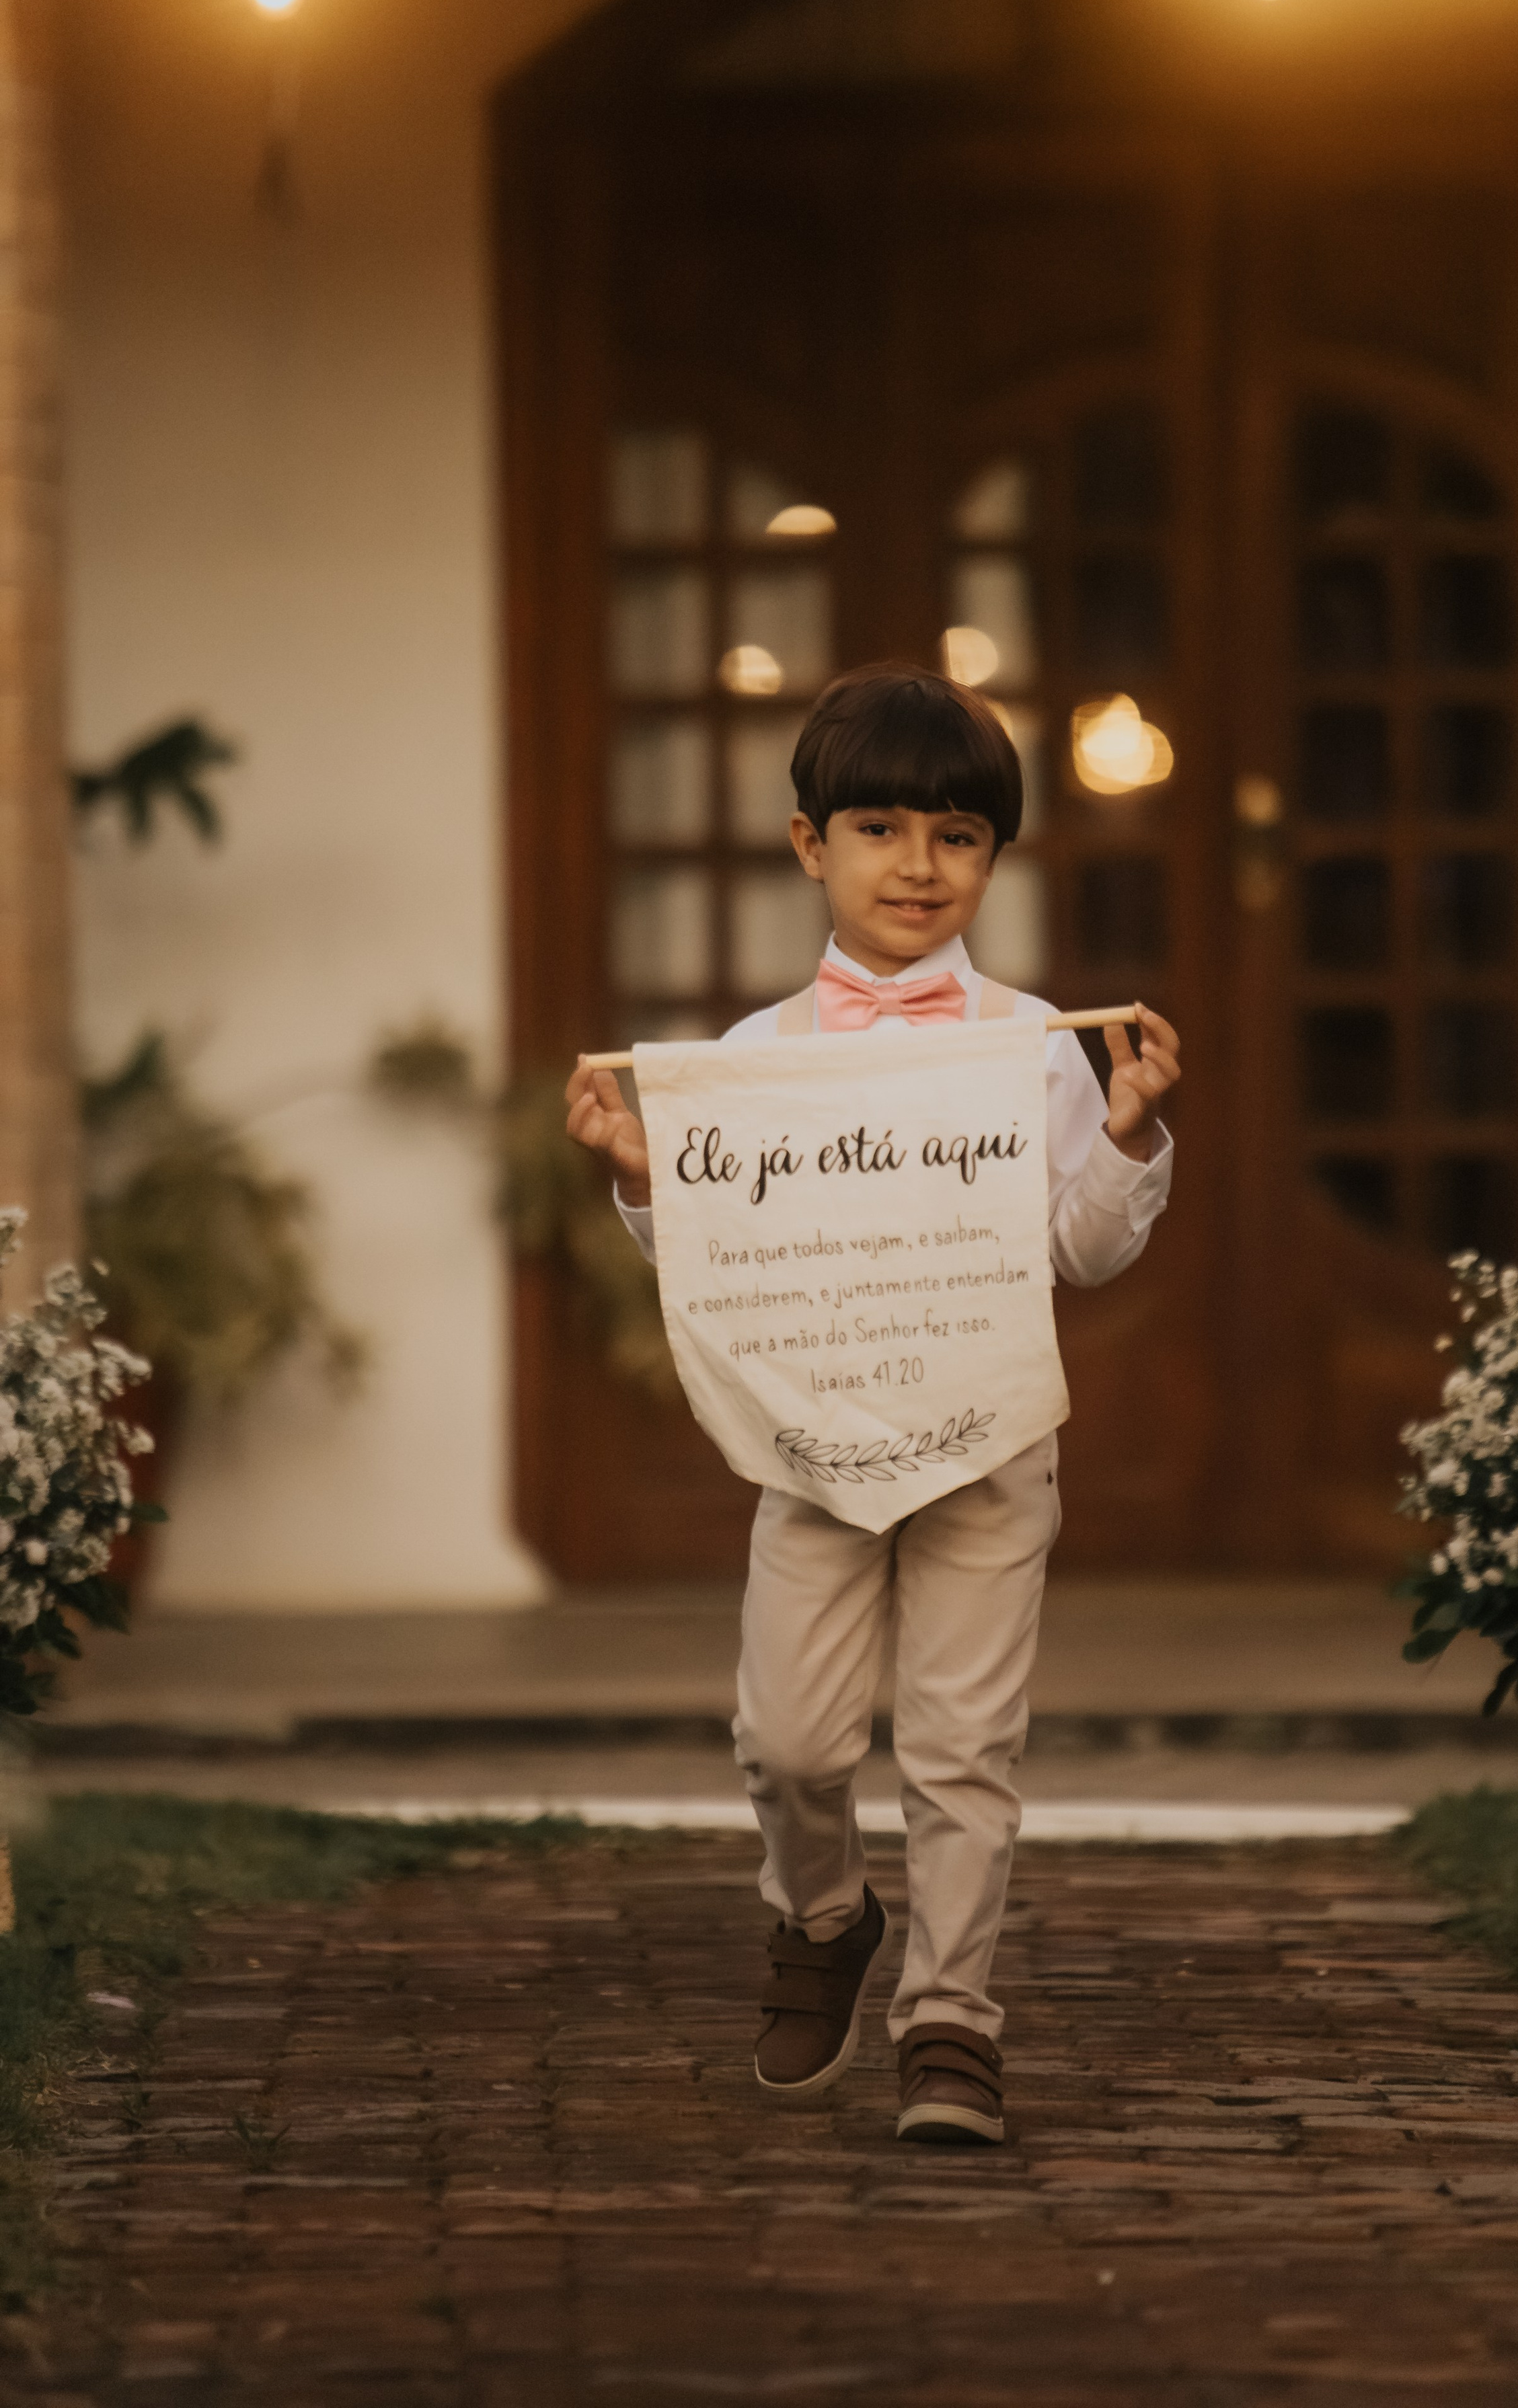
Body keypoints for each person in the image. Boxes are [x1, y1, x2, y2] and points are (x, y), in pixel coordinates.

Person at [565, 663, 1180, 2146]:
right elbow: (727, 1263)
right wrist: (647, 1178)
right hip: (817, 1449)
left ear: (994, 858)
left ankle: (951, 2022)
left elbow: (1080, 1252)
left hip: (989, 1440)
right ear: (809, 844)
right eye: (881, 828)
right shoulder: (747, 1063)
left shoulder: (1033, 1040)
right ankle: (825, 1916)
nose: (918, 865)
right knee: (785, 1740)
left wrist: (1122, 1135)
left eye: (957, 835)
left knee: (962, 1748)